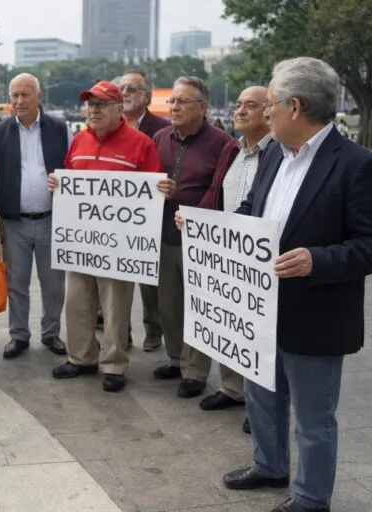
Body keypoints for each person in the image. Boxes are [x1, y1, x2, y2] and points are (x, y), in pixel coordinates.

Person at [221, 57, 372, 512]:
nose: (263, 112)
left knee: (313, 417)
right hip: (259, 308)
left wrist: (317, 260)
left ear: (294, 107)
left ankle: (311, 499)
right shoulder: (272, 152)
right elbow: (253, 209)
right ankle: (269, 465)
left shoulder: (358, 165)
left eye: (268, 103)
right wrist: (207, 228)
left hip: (317, 315)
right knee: (262, 398)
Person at [48, 81, 171, 392]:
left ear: (119, 110)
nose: (93, 110)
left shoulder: (141, 143)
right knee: (77, 301)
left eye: (101, 105)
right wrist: (57, 184)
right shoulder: (78, 141)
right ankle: (81, 357)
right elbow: (69, 177)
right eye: (90, 105)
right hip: (80, 242)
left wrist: (162, 191)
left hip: (120, 245)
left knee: (115, 304)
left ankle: (113, 363)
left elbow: (152, 191)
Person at [178, 86, 272, 434]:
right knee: (232, 324)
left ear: (269, 112)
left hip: (259, 258)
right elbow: (216, 193)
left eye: (251, 105)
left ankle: (261, 404)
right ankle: (233, 390)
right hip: (226, 255)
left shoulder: (276, 152)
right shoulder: (231, 149)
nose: (240, 111)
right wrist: (195, 218)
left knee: (257, 333)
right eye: (238, 105)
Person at [151, 77, 234, 398]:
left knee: (197, 307)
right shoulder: (159, 138)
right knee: (168, 306)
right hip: (164, 235)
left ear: (203, 107)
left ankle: (196, 371)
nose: (174, 107)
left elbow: (222, 191)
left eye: (183, 101)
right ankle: (176, 358)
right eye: (172, 101)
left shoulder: (223, 143)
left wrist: (195, 213)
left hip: (201, 242)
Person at [0, 73, 71, 359]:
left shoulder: (60, 129)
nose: (19, 101)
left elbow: (73, 171)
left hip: (51, 220)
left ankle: (51, 333)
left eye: (25, 95)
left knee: (54, 284)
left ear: (39, 97)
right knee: (16, 283)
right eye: (15, 96)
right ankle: (18, 335)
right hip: (14, 223)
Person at [114, 69, 171, 352]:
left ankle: (153, 331)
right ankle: (119, 333)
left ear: (147, 97)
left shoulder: (161, 129)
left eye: (132, 89)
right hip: (114, 220)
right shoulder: (109, 126)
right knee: (117, 282)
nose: (125, 93)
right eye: (122, 88)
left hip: (149, 219)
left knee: (150, 283)